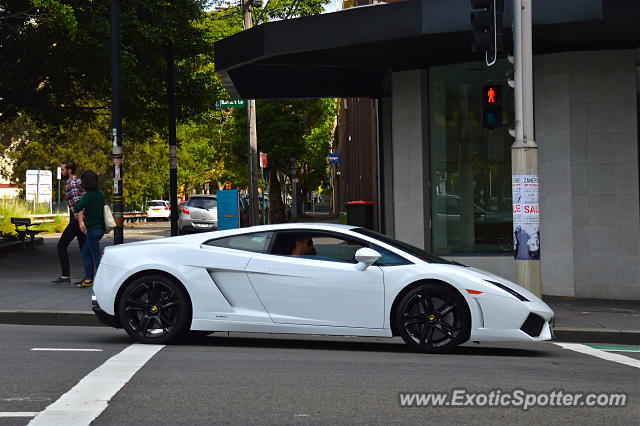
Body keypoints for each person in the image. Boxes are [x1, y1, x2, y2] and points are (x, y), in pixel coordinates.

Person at [51, 160, 86, 284]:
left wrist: (80, 222)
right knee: (85, 248)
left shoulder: (72, 183)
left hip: (77, 219)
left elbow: (78, 204)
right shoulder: (77, 181)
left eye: (63, 170)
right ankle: (89, 277)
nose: (61, 172)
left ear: (69, 171)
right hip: (79, 219)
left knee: (61, 246)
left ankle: (65, 276)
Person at [73, 170, 105, 288]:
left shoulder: (89, 195)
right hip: (100, 228)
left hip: (92, 230)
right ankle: (88, 279)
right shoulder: (100, 194)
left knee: (95, 255)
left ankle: (102, 280)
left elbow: (77, 207)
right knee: (86, 252)